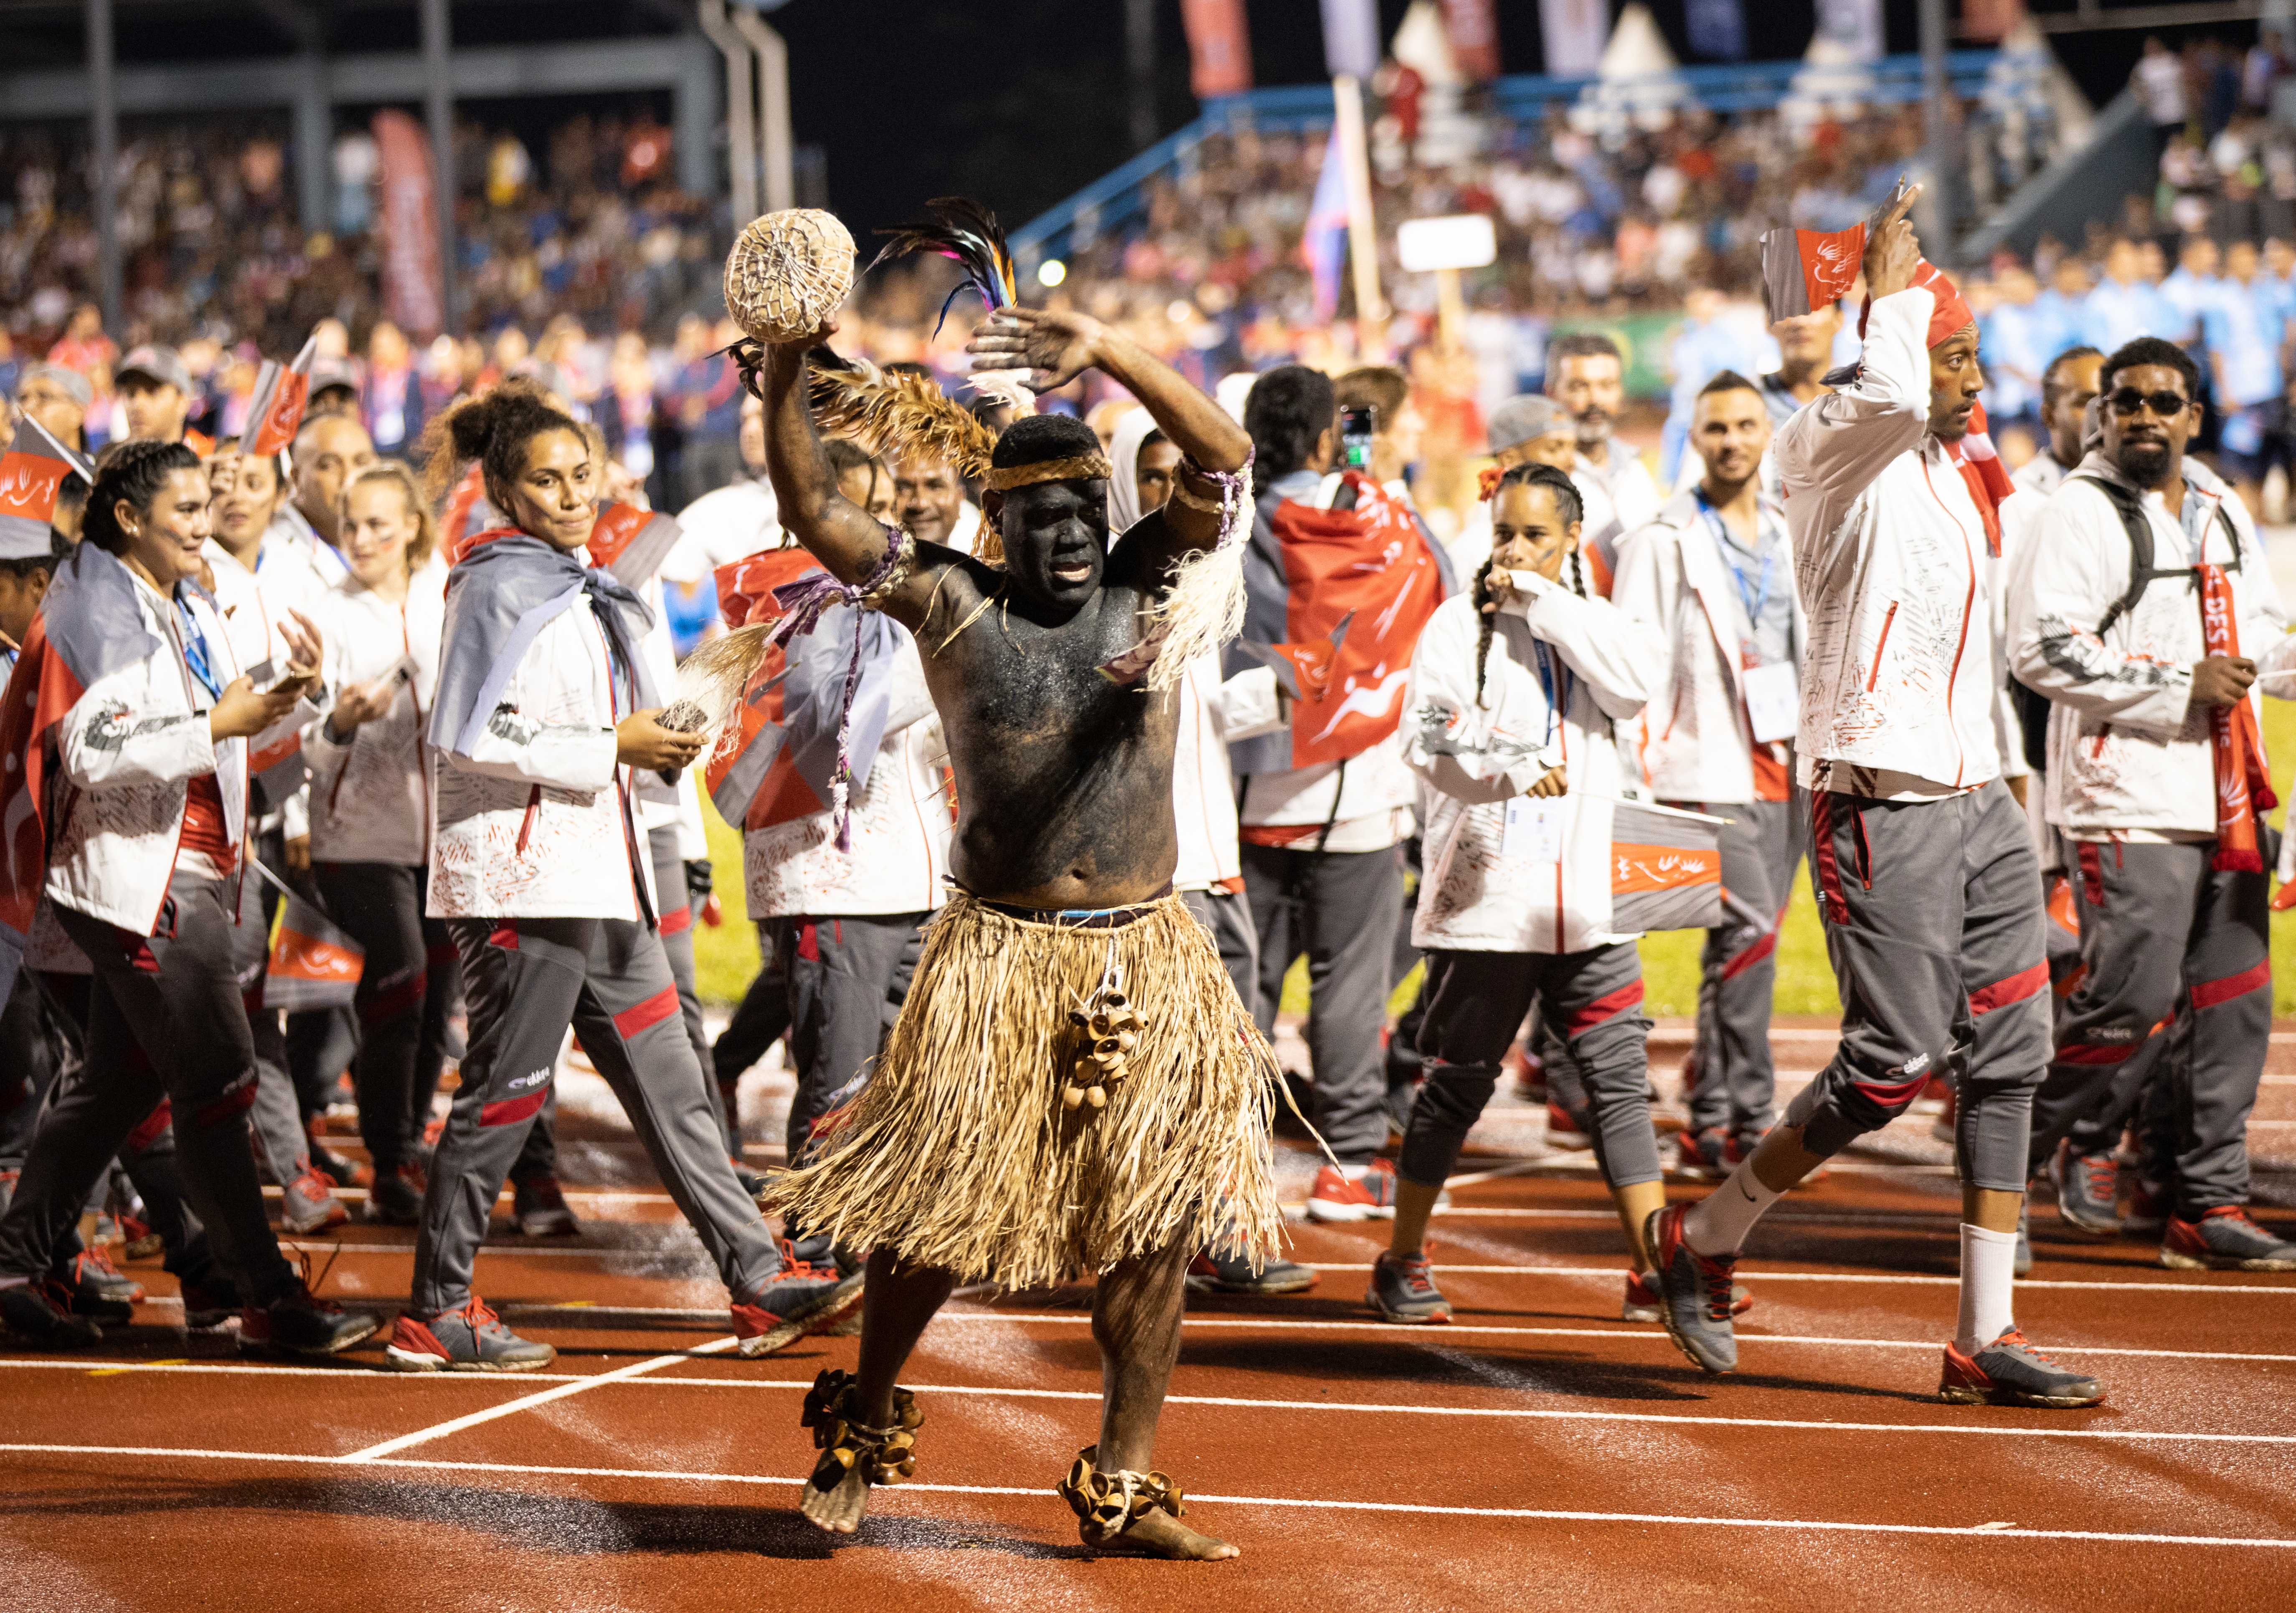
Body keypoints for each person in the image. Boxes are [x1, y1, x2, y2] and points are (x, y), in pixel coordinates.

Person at [756, 300, 1270, 1559]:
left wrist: (1108, 349)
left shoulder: (1151, 575)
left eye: (1083, 516)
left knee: (1155, 1224)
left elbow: (1219, 462)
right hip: (996, 964)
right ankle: (860, 1425)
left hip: (1143, 954)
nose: (1069, 540)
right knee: (932, 1216)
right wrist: (779, 374)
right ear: (994, 525)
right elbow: (814, 510)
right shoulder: (948, 602)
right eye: (1039, 520)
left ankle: (1125, 1479)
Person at [1645, 190, 2108, 1410]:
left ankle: (1981, 1334)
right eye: (1953, 356)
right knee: (1887, 1065)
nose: (1969, 381)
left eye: (1969, 358)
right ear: (1893, 346)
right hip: (1875, 795)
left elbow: (1976, 645)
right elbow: (1890, 391)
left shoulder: (1954, 474)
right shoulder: (1824, 446)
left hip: (1976, 799)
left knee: (2010, 1054)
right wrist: (1883, 289)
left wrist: (2017, 791)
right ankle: (1704, 1241)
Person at [386, 383, 859, 1373]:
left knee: (676, 1086)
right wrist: (615, 742)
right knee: (507, 1089)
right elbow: (475, 731)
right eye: (545, 481)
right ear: (504, 493)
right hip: (524, 884)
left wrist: (659, 745)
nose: (568, 494)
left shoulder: (586, 581)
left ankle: (757, 1276)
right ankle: (437, 1305)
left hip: (602, 875)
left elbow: (592, 728)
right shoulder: (490, 585)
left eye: (580, 475)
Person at [0, 439, 370, 1356]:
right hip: (140, 884)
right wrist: (219, 721)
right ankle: (264, 1292)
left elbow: (223, 725)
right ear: (129, 516)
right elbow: (87, 746)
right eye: (189, 507)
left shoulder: (181, 598)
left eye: (209, 503)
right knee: (216, 1081)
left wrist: (297, 695)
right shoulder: (91, 605)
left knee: (119, 1083)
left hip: (185, 871)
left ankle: (10, 1262)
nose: (208, 521)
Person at [2008, 336, 2296, 1273]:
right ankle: (2001, 1161)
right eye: (2123, 401)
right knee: (2124, 1009)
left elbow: (2260, 636)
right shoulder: (2075, 514)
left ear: (2193, 416)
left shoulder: (2218, 504)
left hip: (2229, 800)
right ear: (2101, 413)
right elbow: (2043, 650)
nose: (2142, 418)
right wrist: (2182, 682)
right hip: (2126, 797)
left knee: (2235, 1006)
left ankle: (2203, 1200)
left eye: (2161, 403)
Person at [1375, 462, 1671, 1325]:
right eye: (1505, 531)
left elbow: (1634, 683)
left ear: (1573, 538)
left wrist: (1546, 599)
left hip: (1588, 902)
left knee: (1618, 1082)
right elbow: (1427, 730)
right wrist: (1505, 765)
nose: (1514, 550)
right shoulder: (1455, 624)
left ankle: (1655, 1269)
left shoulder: (1591, 623)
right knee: (1459, 1082)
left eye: (1536, 534)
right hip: (1491, 904)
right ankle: (1402, 1256)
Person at [1230, 364, 1447, 1226]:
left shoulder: (1230, 522)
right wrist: (1363, 464)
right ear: (1334, 435)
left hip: (1253, 784)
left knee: (1247, 987)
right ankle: (1348, 1166)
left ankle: (1224, 1153)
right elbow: (1443, 592)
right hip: (1363, 791)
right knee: (1351, 988)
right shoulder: (1390, 521)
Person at [1103, 405, 1311, 1298]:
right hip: (1151, 879)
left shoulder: (1205, 598)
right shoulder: (1103, 603)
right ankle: (1181, 1227)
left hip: (1214, 866)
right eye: (1152, 479)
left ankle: (1201, 1222)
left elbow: (1207, 727)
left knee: (1229, 1060)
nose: (1169, 497)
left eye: (1183, 480)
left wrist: (1277, 693)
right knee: (1162, 1067)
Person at [1611, 372, 1806, 1184]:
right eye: (1716, 427)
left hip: (1786, 764)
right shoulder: (1659, 537)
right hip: (1702, 764)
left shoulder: (1793, 527)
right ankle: (1741, 1114)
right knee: (1750, 934)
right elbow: (1631, 661)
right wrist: (1638, 776)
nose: (1731, 440)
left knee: (1744, 947)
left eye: (1745, 426)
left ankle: (1716, 1107)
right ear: (1694, 438)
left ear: (1769, 435)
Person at [201, 448, 354, 1234]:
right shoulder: (176, 588)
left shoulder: (290, 576)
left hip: (247, 832)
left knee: (244, 1012)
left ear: (278, 496)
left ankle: (290, 1173)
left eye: (248, 484)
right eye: (213, 488)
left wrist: (310, 690)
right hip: (172, 843)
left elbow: (297, 719)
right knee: (136, 1044)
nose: (228, 500)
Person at [304, 462, 455, 1227]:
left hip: (446, 835)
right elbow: (299, 743)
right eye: (350, 524)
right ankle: (389, 1156)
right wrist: (338, 723)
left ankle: (403, 1142)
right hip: (357, 835)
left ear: (412, 529)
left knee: (437, 996)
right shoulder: (324, 612)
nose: (360, 538)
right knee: (400, 975)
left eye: (377, 524)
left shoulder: (445, 596)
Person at [1547, 331, 1662, 591]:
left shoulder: (1634, 468)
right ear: (1552, 393)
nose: (1595, 400)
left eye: (1607, 386)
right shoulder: (1538, 478)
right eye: (1579, 387)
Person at [1446, 393, 1593, 579]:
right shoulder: (1476, 548)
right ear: (1509, 459)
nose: (1572, 461)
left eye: (1573, 448)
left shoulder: (1565, 531)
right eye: (1555, 448)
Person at [2206, 240, 2292, 516]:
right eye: (2241, 260)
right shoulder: (2220, 299)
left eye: (2251, 260)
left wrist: (2285, 380)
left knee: (2266, 460)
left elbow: (2279, 341)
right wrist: (2225, 391)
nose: (2248, 266)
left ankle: (2260, 515)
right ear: (2230, 264)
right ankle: (2246, 519)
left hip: (2268, 388)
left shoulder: (2265, 295)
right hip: (2240, 393)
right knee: (2240, 462)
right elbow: (2217, 349)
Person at [2012, 347, 2106, 501]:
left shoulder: (2141, 489)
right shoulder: (2022, 498)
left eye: (2109, 401)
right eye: (2087, 403)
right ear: (2049, 416)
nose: (2103, 413)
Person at [116, 346, 208, 450]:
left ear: (183, 402)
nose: (137, 406)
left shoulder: (209, 458)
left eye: (153, 392)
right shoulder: (112, 463)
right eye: (130, 394)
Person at [15, 365, 93, 457]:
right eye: (24, 399)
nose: (28, 407)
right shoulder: (9, 470)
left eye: (44, 396)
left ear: (77, 413)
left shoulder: (102, 470)